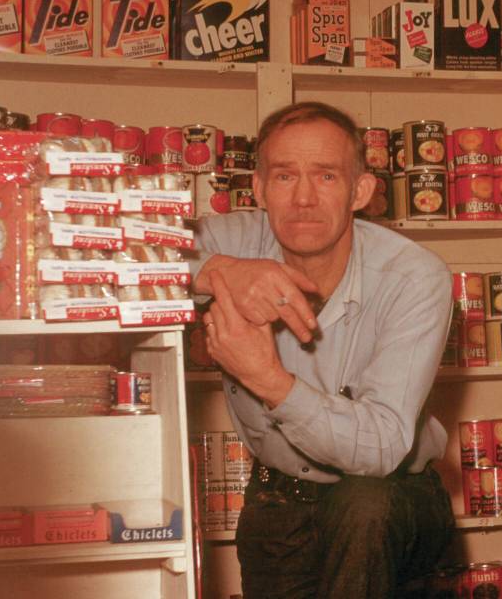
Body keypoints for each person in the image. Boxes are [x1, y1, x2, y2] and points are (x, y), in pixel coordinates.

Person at [190, 101, 455, 599]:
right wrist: (217, 272)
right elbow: (120, 248)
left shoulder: (413, 275)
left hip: (393, 501)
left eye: (327, 176)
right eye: (285, 176)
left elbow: (382, 446)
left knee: (365, 504)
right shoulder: (234, 240)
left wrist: (268, 379)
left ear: (360, 191)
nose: (304, 198)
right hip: (279, 497)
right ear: (259, 189)